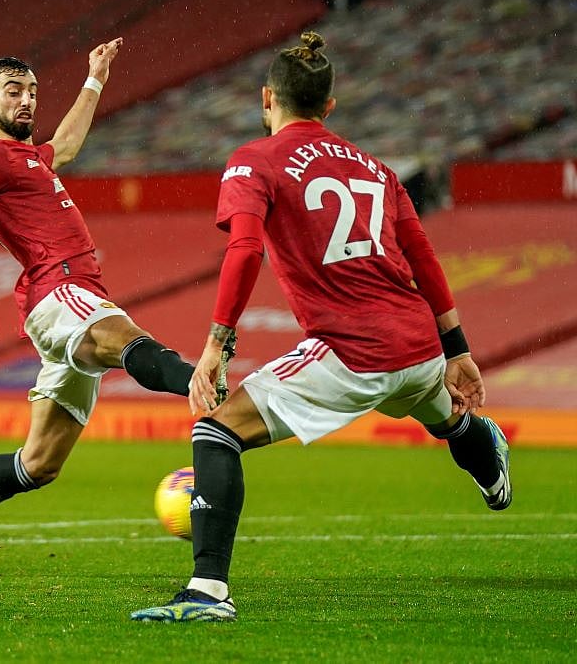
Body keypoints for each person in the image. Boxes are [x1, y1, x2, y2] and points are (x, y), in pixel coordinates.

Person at [130, 32, 512, 623]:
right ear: (329, 105)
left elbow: (245, 249)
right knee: (446, 417)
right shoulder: (377, 169)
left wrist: (215, 345)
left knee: (215, 429)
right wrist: (457, 349)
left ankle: (207, 592)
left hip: (352, 353)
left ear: (267, 98)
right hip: (418, 348)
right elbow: (423, 257)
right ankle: (484, 452)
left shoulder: (254, 160)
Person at [0, 38, 204, 575]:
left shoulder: (30, 158)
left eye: (32, 91)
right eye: (13, 91)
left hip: (73, 297)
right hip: (59, 290)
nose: (26, 100)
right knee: (120, 339)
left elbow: (67, 145)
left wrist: (95, 78)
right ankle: (208, 387)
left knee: (38, 465)